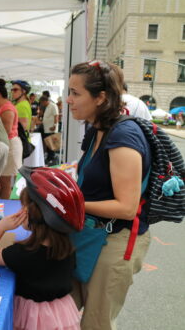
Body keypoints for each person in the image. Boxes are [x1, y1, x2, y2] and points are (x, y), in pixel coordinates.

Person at [66, 60, 151, 329]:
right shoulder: (97, 130)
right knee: (63, 310)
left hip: (115, 241)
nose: (68, 99)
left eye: (76, 93)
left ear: (101, 97)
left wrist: (72, 203)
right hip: (91, 234)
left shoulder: (124, 136)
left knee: (96, 323)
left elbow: (127, 207)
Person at [0, 167, 84, 330]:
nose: (20, 211)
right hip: (61, 313)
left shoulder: (24, 254)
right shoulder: (67, 246)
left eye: (23, 207)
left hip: (33, 318)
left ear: (34, 215)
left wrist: (1, 227)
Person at [0, 79, 22, 199]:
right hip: (5, 145)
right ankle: (0, 206)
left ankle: (3, 207)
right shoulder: (2, 107)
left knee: (5, 182)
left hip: (10, 145)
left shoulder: (7, 108)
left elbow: (5, 131)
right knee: (1, 181)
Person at [39, 96, 60, 165]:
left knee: (52, 146)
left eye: (42, 103)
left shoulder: (53, 106)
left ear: (45, 101)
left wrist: (54, 125)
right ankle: (49, 158)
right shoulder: (47, 106)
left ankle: (52, 159)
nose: (42, 104)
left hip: (51, 129)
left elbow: (56, 116)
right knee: (48, 145)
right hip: (47, 129)